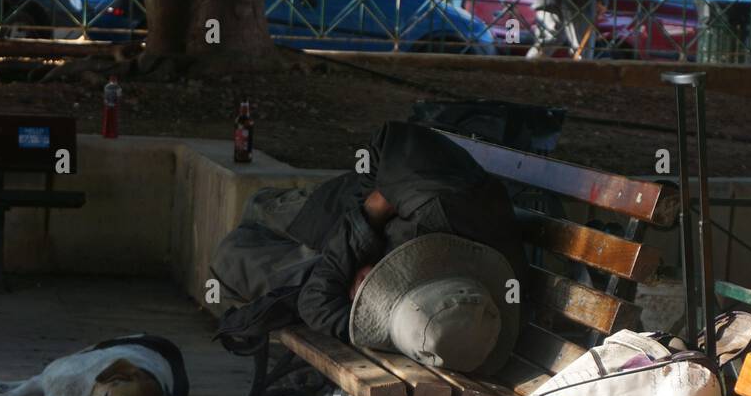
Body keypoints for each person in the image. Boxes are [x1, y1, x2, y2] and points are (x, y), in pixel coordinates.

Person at [214, 121, 527, 376]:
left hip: (336, 257)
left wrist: (373, 281)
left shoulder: (435, 330)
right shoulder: (448, 203)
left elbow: (315, 304)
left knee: (235, 254)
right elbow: (390, 139)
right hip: (338, 211)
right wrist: (371, 212)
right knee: (258, 207)